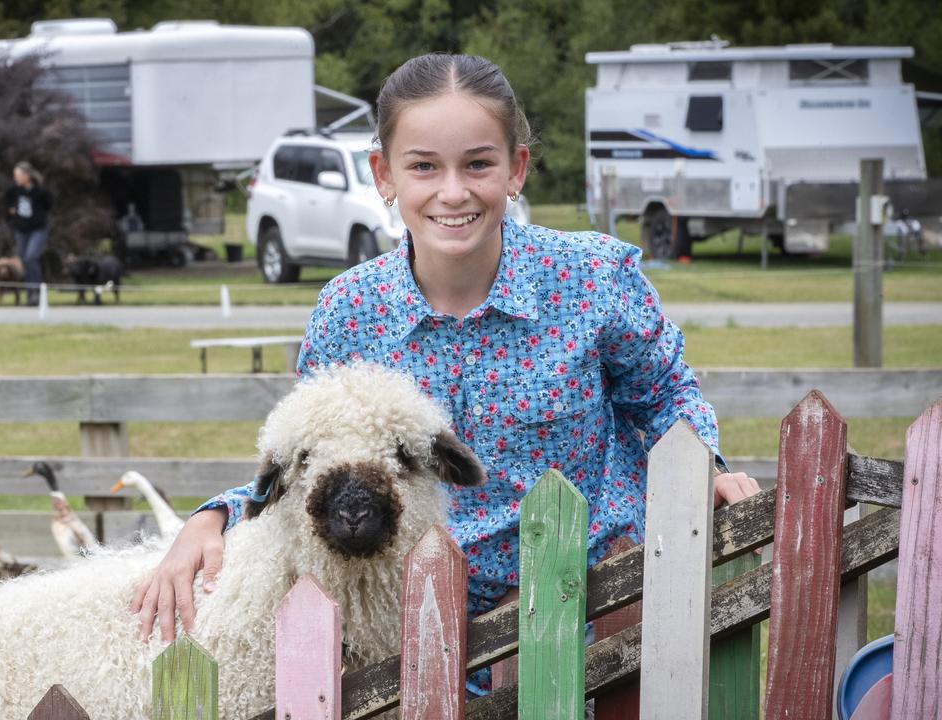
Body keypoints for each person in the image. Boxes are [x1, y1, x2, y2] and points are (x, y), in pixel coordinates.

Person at [131, 53, 760, 690]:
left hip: (589, 612)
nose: (453, 191)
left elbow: (661, 398)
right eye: (424, 166)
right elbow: (307, 466)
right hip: (409, 632)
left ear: (516, 168)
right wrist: (211, 517)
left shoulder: (593, 279)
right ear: (384, 175)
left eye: (478, 163)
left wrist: (707, 467)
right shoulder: (350, 312)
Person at [5, 161, 54, 306]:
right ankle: (30, 294)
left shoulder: (40, 191)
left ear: (27, 176)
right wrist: (12, 214)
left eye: (18, 175)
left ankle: (37, 291)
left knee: (31, 257)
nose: (16, 178)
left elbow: (49, 205)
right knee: (25, 261)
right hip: (21, 231)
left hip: (37, 230)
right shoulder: (13, 191)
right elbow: (8, 207)